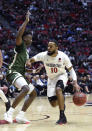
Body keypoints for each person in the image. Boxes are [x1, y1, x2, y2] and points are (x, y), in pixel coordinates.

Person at [26, 39, 80, 125]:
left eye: (51, 46)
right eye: (48, 46)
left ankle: (62, 117)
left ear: (56, 48)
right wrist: (28, 61)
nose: (48, 48)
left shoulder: (63, 56)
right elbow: (32, 59)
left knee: (58, 89)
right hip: (51, 79)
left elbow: (71, 70)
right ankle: (61, 100)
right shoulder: (44, 55)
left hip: (61, 76)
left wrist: (75, 82)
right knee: (53, 104)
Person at [4, 10, 37, 124]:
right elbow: (18, 34)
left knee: (33, 93)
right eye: (29, 37)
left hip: (20, 73)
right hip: (12, 72)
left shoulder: (26, 53)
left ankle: (20, 116)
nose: (31, 39)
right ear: (24, 38)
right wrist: (26, 21)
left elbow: (24, 68)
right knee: (26, 89)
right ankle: (9, 113)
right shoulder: (20, 45)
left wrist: (32, 70)